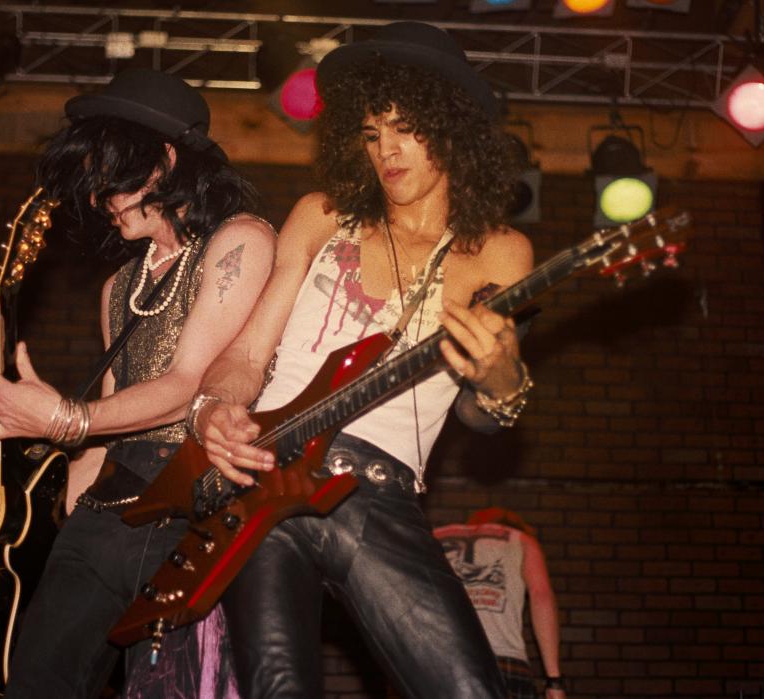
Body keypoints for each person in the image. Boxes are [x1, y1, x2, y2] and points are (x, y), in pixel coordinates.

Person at [189, 21, 535, 699]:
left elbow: (487, 411)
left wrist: (502, 379)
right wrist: (213, 410)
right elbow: (248, 353)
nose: (387, 150)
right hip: (265, 483)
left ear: (453, 129)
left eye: (405, 128)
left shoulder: (498, 252)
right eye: (373, 132)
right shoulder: (322, 214)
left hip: (376, 494)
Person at [0, 68, 274, 697]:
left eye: (111, 171)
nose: (99, 193)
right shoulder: (118, 289)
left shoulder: (240, 240)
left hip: (195, 505)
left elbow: (190, 382)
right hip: (108, 511)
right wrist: (36, 540)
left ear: (164, 160)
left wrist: (62, 419)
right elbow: (107, 427)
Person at [435, 507, 567, 699]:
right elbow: (541, 596)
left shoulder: (435, 536)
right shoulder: (522, 540)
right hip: (503, 660)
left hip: (437, 658)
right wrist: (554, 680)